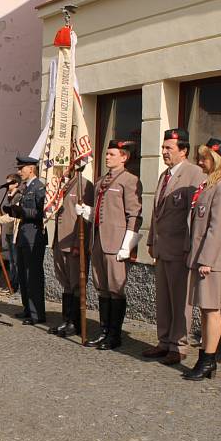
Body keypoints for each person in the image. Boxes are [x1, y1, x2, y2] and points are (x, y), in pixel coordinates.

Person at [143, 129, 205, 365]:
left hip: (180, 249)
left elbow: (196, 217)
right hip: (162, 247)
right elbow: (156, 213)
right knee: (163, 298)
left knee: (181, 300)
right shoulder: (164, 175)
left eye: (169, 148)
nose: (164, 152)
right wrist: (151, 240)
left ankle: (179, 346)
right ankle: (163, 341)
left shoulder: (194, 174)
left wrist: (192, 247)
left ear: (184, 151)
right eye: (163, 147)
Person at [76, 141, 142, 349]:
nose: (107, 157)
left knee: (116, 289)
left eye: (112, 154)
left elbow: (134, 214)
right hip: (97, 242)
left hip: (116, 244)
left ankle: (115, 335)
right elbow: (99, 211)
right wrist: (86, 212)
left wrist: (127, 244)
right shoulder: (100, 181)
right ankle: (104, 331)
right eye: (106, 153)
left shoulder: (130, 180)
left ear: (124, 157)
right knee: (102, 288)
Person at [183, 138, 221, 380]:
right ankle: (205, 356)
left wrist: (207, 260)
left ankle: (208, 360)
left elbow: (218, 227)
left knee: (212, 309)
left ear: (216, 160)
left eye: (204, 157)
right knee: (204, 310)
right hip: (202, 260)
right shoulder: (208, 186)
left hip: (211, 263)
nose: (199, 161)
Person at [49, 168, 94, 338]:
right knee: (66, 283)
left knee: (76, 284)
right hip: (60, 241)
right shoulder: (61, 184)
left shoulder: (84, 186)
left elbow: (84, 219)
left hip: (73, 243)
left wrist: (78, 244)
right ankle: (66, 319)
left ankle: (76, 323)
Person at [4, 155, 46, 325]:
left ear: (31, 168)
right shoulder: (26, 188)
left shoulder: (39, 187)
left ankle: (37, 314)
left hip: (34, 236)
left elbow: (43, 212)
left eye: (21, 168)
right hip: (23, 235)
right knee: (23, 274)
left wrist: (24, 213)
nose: (19, 171)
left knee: (33, 276)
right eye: (18, 168)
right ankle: (27, 309)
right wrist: (13, 210)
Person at [1, 174, 22, 292]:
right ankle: (11, 282)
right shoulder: (8, 195)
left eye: (9, 182)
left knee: (15, 260)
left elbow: (12, 215)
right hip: (9, 231)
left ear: (16, 184)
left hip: (15, 232)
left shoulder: (18, 196)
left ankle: (15, 285)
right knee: (11, 260)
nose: (7, 185)